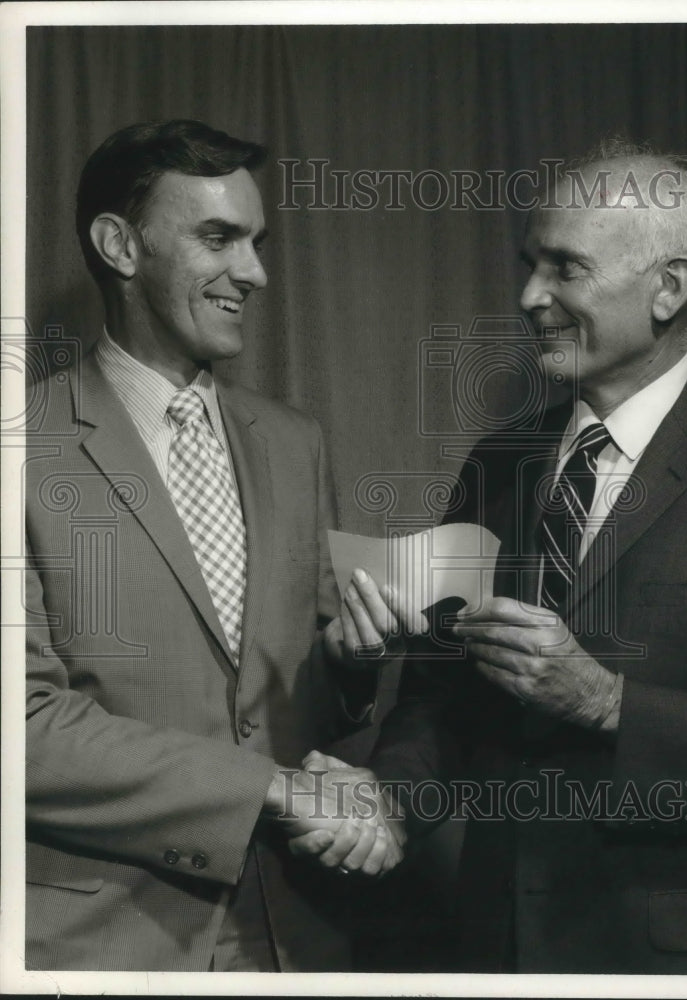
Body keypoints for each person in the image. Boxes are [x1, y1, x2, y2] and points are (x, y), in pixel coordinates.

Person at [314, 139, 687, 974]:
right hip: (494, 948)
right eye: (532, 265)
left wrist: (609, 703)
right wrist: (390, 800)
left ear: (668, 289)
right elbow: (441, 701)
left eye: (566, 269)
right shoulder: (500, 462)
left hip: (682, 965)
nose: (530, 297)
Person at [24, 119, 413, 973]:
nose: (255, 272)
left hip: (296, 934)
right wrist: (274, 790)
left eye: (257, 241)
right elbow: (23, 726)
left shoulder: (292, 441)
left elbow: (287, 699)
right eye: (218, 237)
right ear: (119, 245)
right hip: (105, 946)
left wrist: (348, 668)